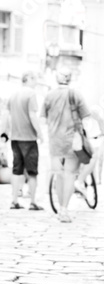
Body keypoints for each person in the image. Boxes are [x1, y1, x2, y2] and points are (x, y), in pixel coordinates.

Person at [41, 67, 91, 223]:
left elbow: (43, 118)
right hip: (73, 141)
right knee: (70, 175)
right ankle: (63, 209)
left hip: (55, 141)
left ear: (57, 79)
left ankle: (59, 209)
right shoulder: (75, 94)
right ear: (70, 79)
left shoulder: (49, 95)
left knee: (58, 175)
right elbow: (86, 116)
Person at [7, 70, 44, 210]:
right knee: (32, 171)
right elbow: (32, 115)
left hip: (15, 137)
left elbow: (8, 116)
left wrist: (8, 132)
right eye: (34, 79)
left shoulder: (13, 95)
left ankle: (14, 200)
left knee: (17, 169)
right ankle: (33, 202)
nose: (36, 82)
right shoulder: (31, 94)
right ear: (28, 79)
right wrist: (40, 134)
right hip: (28, 138)